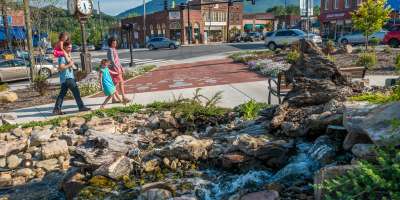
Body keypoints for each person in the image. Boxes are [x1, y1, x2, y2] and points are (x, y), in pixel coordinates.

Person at [53, 41, 91, 115]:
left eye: (71, 47)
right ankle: (81, 107)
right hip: (68, 78)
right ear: (64, 47)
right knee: (76, 92)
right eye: (68, 47)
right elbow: (61, 67)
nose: (70, 49)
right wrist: (70, 64)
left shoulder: (67, 55)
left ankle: (56, 109)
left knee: (62, 94)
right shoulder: (62, 57)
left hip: (66, 79)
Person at [107, 37, 130, 103]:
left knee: (117, 83)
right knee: (118, 83)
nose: (115, 44)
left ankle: (114, 98)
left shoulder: (114, 49)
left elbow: (117, 60)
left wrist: (121, 67)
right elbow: (112, 60)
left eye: (115, 42)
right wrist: (117, 68)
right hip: (114, 69)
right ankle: (123, 97)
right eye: (114, 43)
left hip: (117, 68)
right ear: (110, 43)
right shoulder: (110, 50)